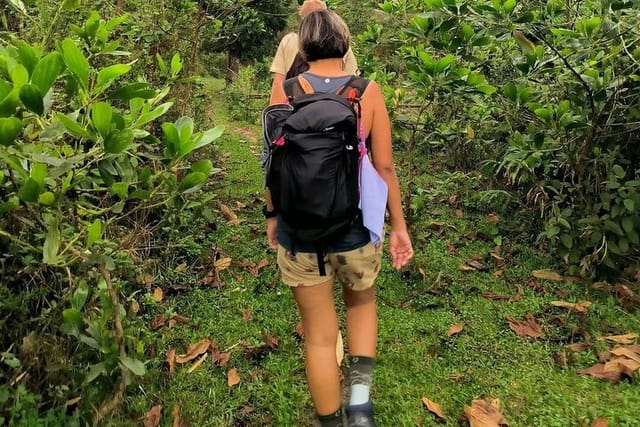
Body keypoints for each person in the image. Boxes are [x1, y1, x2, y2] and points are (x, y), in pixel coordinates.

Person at [262, 10, 414, 427]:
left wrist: (273, 217)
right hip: (355, 229)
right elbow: (384, 168)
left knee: (318, 337)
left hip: (300, 234)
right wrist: (398, 226)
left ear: (303, 49)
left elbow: (274, 162)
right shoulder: (367, 92)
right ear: (345, 47)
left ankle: (329, 420)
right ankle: (360, 407)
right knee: (361, 303)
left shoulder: (286, 90)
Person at [268, 0, 358, 105]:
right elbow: (352, 87)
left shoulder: (290, 41)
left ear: (303, 20)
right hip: (333, 109)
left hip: (295, 109)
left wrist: (274, 116)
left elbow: (278, 84)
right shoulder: (340, 45)